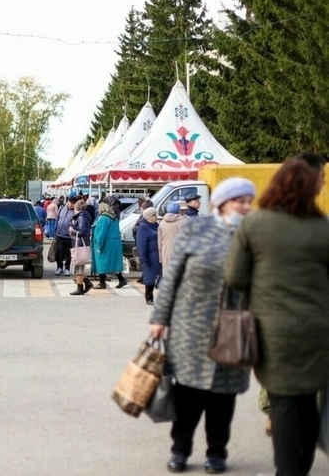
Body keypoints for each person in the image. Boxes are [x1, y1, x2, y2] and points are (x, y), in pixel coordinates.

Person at [224, 154, 329, 476]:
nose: (324, 181)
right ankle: (303, 465)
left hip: (272, 331)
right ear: (310, 186)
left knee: (283, 402)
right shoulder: (322, 227)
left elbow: (234, 278)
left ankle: (289, 471)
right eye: (321, 178)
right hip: (319, 331)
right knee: (309, 398)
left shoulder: (255, 223)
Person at [150, 177, 256, 473]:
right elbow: (171, 277)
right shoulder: (195, 228)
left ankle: (217, 453)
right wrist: (159, 318)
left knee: (223, 398)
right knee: (187, 396)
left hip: (233, 326)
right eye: (241, 201)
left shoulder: (251, 235)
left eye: (250, 202)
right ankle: (180, 450)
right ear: (222, 203)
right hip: (190, 327)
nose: (247, 207)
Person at [92, 202, 128, 289]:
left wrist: (99, 245)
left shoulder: (103, 218)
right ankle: (121, 280)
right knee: (113, 262)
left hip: (106, 244)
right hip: (114, 243)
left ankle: (102, 283)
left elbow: (101, 233)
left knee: (102, 262)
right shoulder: (114, 218)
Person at [136, 206, 160, 305]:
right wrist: (143, 257)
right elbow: (141, 244)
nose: (156, 217)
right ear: (149, 217)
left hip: (156, 256)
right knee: (149, 278)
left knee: (155, 277)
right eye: (154, 215)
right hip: (149, 257)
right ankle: (149, 297)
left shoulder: (156, 225)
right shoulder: (143, 227)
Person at [69, 200, 93, 295]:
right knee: (79, 266)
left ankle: (80, 288)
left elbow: (82, 231)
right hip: (81, 243)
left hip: (79, 244)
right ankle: (87, 283)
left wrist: (72, 230)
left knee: (78, 266)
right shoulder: (84, 216)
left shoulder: (81, 217)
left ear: (77, 208)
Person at [158, 202, 184, 274]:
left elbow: (159, 243)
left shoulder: (162, 223)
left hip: (166, 254)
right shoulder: (184, 222)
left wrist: (160, 258)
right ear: (179, 210)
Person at [54, 195, 76, 276]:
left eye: (73, 203)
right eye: (71, 203)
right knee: (59, 251)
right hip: (59, 234)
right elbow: (58, 218)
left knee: (68, 253)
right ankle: (59, 267)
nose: (71, 205)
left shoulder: (75, 211)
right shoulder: (62, 208)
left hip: (69, 236)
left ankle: (67, 268)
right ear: (68, 201)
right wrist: (55, 231)